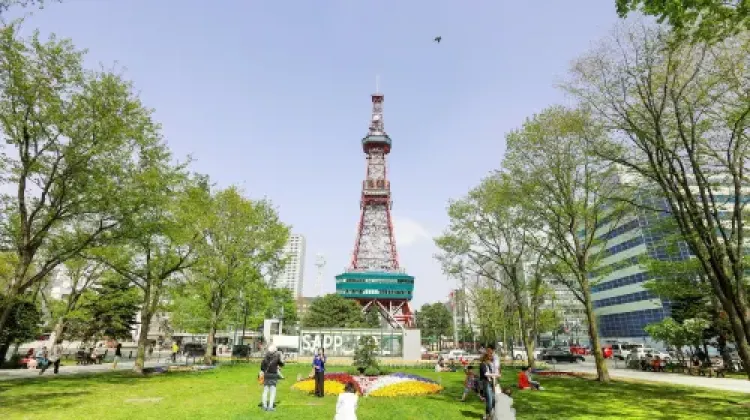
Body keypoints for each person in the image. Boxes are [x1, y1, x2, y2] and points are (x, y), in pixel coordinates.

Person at [259, 344, 284, 412]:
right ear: (275, 351)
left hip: (266, 375)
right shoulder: (277, 356)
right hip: (273, 375)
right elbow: (282, 364)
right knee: (273, 392)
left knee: (265, 391)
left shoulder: (265, 357)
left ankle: (264, 406)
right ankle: (270, 407)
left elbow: (261, 368)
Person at [479, 351, 498, 420]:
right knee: (489, 400)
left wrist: (495, 379)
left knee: (493, 400)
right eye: (489, 359)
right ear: (486, 359)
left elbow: (491, 374)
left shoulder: (489, 365)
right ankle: (488, 416)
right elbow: (486, 374)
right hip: (485, 383)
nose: (490, 361)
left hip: (490, 383)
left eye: (491, 360)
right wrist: (494, 375)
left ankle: (487, 415)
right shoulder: (482, 364)